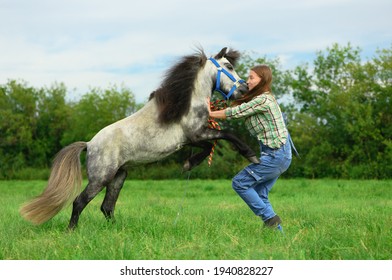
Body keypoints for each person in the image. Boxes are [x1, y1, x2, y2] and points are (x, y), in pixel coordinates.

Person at [208, 64, 292, 232]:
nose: (248, 81)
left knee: (240, 183)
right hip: (278, 155)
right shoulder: (258, 99)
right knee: (260, 194)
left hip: (277, 155)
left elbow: (235, 112)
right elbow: (238, 105)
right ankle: (278, 235)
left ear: (263, 80)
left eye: (252, 77)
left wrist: (208, 113)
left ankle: (270, 219)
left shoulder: (264, 100)